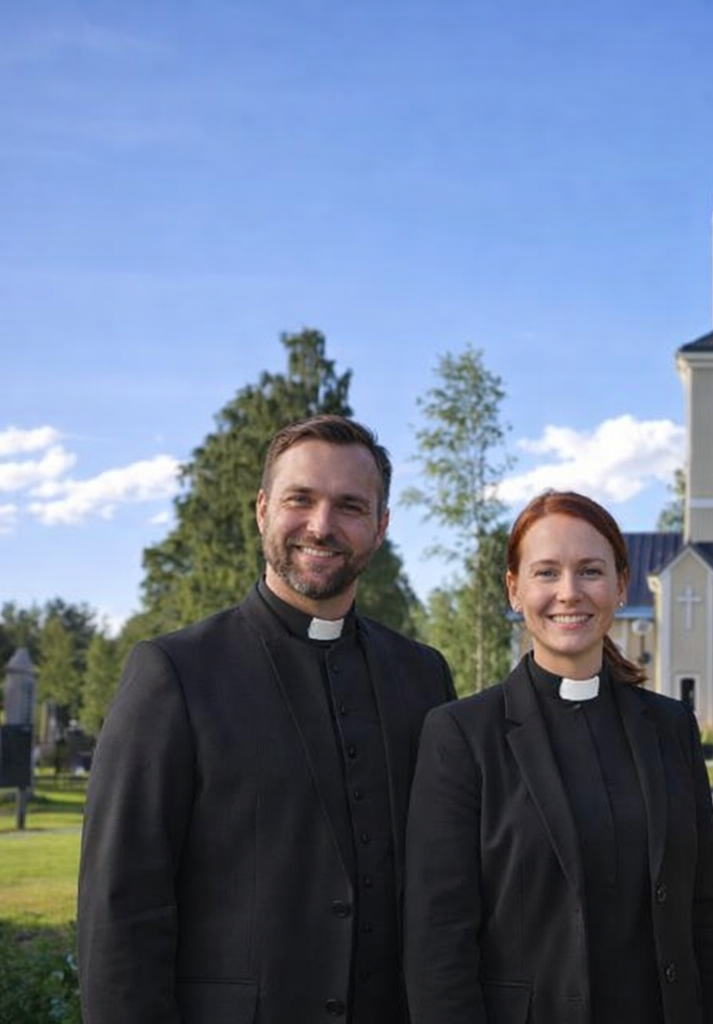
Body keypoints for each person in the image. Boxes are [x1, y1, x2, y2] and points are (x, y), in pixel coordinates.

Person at [77, 414, 456, 1024]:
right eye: (299, 500)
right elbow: (120, 913)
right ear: (261, 509)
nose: (321, 526)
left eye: (350, 506)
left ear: (381, 527)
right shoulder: (173, 673)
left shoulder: (423, 676)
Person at [403, 490, 713, 1024]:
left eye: (590, 571)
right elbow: (438, 942)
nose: (569, 593)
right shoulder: (462, 735)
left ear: (620, 585)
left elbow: (707, 912)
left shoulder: (670, 727)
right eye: (546, 573)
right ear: (514, 590)